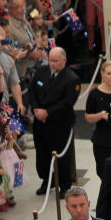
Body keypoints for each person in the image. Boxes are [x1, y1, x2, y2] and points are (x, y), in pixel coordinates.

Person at [28, 46, 79, 196]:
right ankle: (46, 180)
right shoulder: (41, 72)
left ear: (64, 60)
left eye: (56, 61)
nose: (52, 64)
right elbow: (32, 91)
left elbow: (67, 102)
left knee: (60, 155)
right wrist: (36, 109)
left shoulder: (72, 79)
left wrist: (47, 112)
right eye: (50, 60)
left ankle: (65, 184)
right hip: (40, 121)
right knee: (42, 153)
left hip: (59, 122)